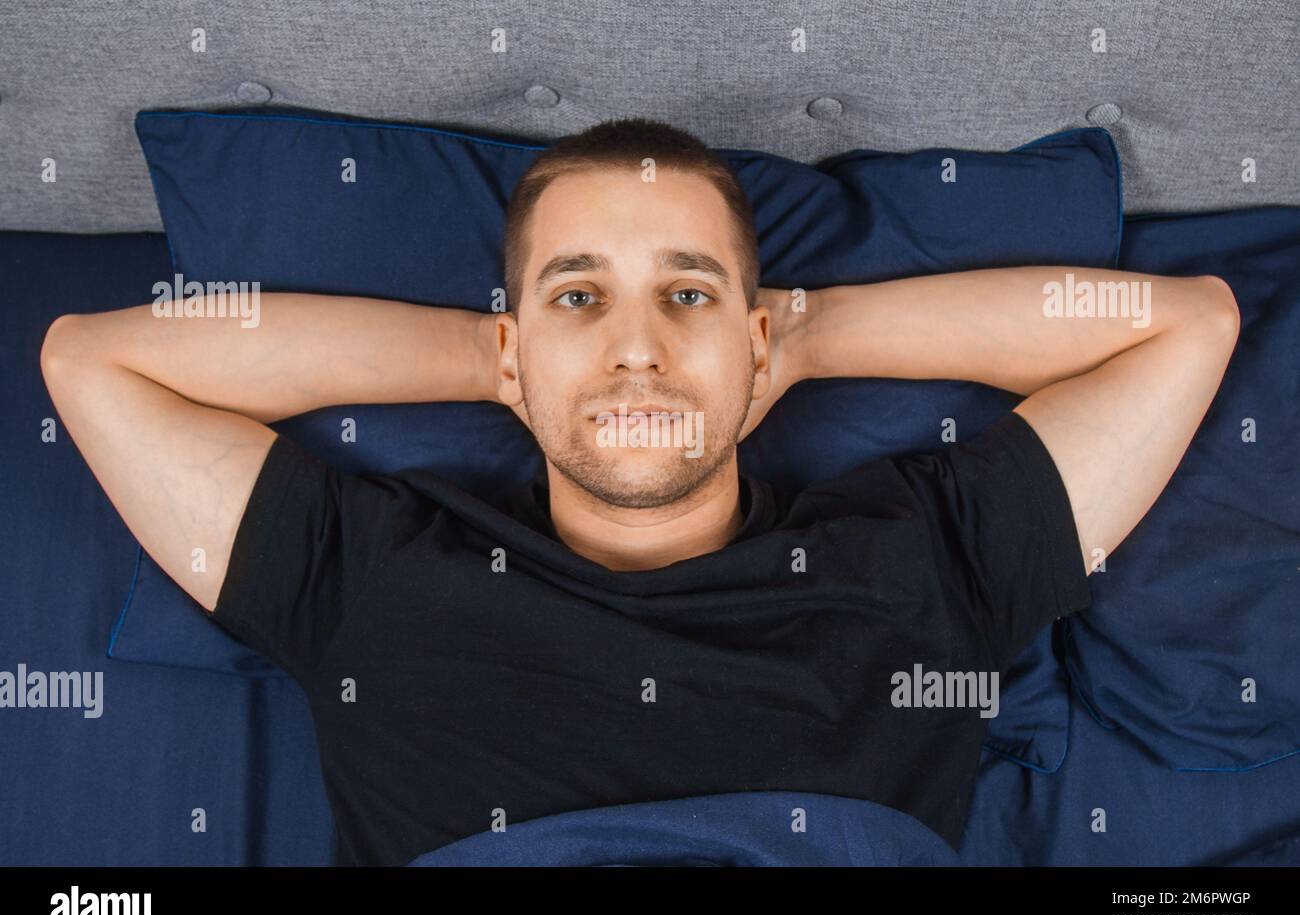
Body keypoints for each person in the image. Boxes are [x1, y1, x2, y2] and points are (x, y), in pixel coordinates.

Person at [40, 118, 1240, 866]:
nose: (635, 347)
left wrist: (807, 337)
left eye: (687, 294)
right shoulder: (368, 574)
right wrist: (481, 358)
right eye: (576, 297)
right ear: (515, 345)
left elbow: (1186, 326)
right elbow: (92, 359)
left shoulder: (926, 550)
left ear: (756, 339)